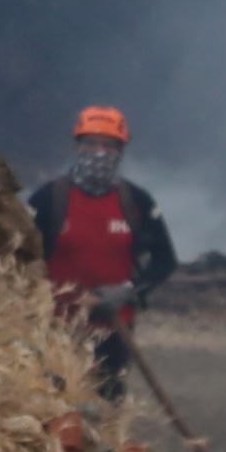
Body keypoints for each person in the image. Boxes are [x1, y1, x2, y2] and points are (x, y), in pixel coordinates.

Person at [27, 107, 178, 399]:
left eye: (109, 146)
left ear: (121, 151)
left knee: (107, 404)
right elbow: (17, 256)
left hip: (114, 330)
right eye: (91, 143)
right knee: (54, 403)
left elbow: (165, 260)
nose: (99, 153)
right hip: (55, 327)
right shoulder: (48, 199)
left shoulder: (137, 202)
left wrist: (127, 291)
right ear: (77, 145)